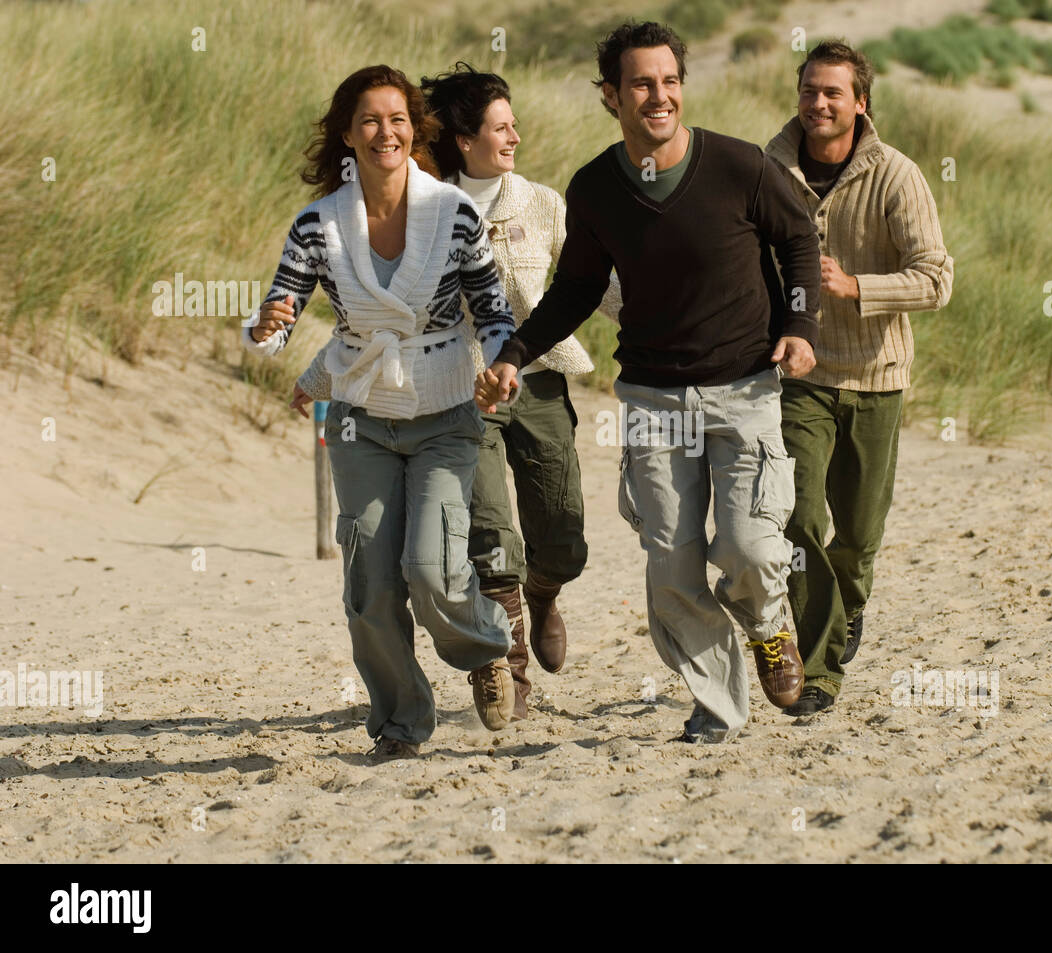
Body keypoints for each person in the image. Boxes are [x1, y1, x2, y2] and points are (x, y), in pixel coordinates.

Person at [477, 21, 822, 743]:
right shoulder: (597, 188)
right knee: (671, 565)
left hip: (744, 390)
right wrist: (515, 352)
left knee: (751, 548)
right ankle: (717, 703)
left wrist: (800, 326)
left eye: (669, 81)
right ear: (612, 95)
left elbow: (799, 239)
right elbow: (575, 289)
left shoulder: (739, 166)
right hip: (654, 401)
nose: (658, 95)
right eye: (641, 83)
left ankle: (768, 621)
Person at [243, 64, 518, 761]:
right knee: (369, 580)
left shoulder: (454, 212)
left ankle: (486, 643)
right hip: (362, 415)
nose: (384, 132)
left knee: (430, 568)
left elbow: (490, 308)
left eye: (396, 119)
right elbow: (279, 313)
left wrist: (501, 368)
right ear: (348, 133)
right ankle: (400, 720)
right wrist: (265, 326)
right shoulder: (318, 222)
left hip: (445, 407)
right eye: (369, 120)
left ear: (414, 130)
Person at [419, 63, 622, 721]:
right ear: (464, 137)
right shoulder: (424, 208)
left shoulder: (541, 202)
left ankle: (545, 593)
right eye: (500, 127)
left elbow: (591, 284)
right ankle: (512, 672)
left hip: (538, 381)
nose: (514, 136)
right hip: (462, 392)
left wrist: (661, 323)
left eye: (513, 124)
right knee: (490, 537)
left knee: (562, 535)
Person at [764, 41, 953, 714]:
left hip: (878, 375)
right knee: (799, 516)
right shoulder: (768, 169)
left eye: (833, 93)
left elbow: (937, 279)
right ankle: (819, 672)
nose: (818, 103)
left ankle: (848, 604)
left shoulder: (897, 175)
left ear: (859, 103)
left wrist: (854, 285)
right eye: (810, 90)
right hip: (800, 374)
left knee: (859, 535)